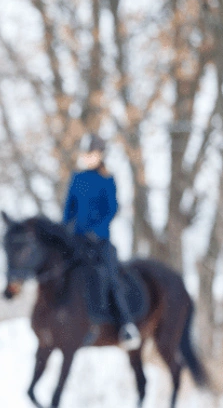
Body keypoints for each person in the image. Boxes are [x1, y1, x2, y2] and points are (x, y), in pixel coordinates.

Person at [61, 134, 141, 350]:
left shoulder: (108, 179)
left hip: (100, 240)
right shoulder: (77, 178)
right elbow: (69, 209)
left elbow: (111, 209)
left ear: (100, 155)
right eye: (86, 154)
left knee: (109, 276)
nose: (88, 158)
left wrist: (95, 231)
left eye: (92, 154)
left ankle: (126, 325)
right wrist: (65, 231)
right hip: (77, 239)